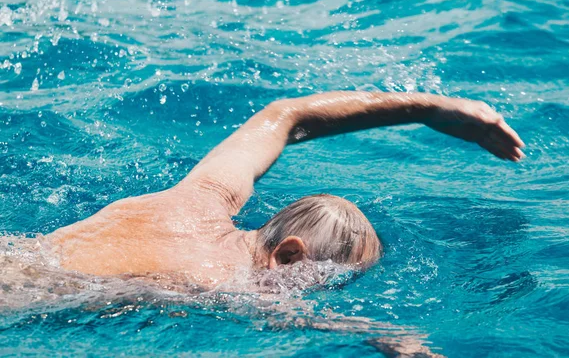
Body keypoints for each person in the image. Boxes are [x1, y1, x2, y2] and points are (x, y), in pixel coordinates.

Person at [47, 91, 524, 289]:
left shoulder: (200, 197)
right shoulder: (221, 280)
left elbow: (285, 114)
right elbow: (295, 321)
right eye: (321, 283)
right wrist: (387, 337)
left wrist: (428, 108)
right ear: (289, 257)